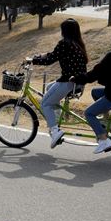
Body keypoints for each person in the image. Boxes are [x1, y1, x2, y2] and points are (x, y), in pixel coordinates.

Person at [31, 18, 88, 148]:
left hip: (69, 82)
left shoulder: (64, 43)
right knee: (50, 87)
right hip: (78, 83)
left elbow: (49, 60)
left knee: (44, 103)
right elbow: (53, 54)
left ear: (64, 31)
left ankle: (55, 131)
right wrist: (41, 55)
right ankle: (55, 119)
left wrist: (33, 61)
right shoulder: (77, 43)